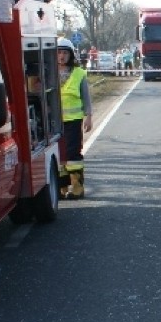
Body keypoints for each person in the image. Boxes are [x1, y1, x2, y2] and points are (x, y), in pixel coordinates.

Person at [57, 37, 93, 200]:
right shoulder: (49, 73)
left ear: (71, 55)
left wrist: (89, 117)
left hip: (73, 121)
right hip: (55, 122)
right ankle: (62, 187)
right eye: (59, 53)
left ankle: (77, 187)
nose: (62, 56)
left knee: (72, 153)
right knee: (59, 155)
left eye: (65, 53)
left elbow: (86, 98)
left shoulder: (79, 73)